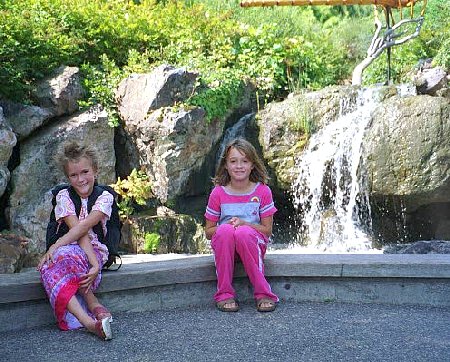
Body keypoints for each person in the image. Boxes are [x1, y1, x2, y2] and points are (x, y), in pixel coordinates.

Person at [37, 141, 113, 340]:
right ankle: (89, 320)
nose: (80, 179)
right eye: (73, 175)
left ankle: (91, 303)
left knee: (59, 255)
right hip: (71, 246)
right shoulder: (64, 195)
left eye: (85, 172)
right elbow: (76, 231)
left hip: (94, 251)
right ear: (68, 177)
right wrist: (56, 249)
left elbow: (84, 228)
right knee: (53, 261)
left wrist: (95, 263)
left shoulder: (104, 196)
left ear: (95, 170)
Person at [204, 138, 279, 313]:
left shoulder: (263, 191)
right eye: (233, 161)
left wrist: (245, 224)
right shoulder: (218, 193)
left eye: (244, 161)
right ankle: (224, 294)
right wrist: (228, 228)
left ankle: (263, 293)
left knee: (244, 233)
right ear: (226, 166)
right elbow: (209, 232)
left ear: (252, 164)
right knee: (225, 230)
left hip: (252, 245)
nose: (239, 166)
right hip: (226, 247)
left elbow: (267, 231)